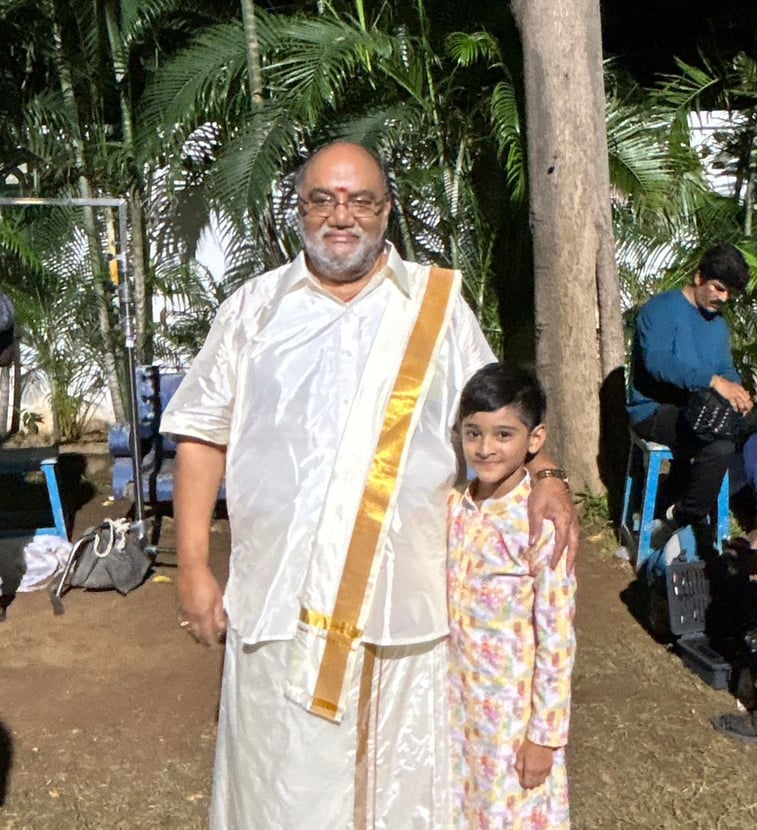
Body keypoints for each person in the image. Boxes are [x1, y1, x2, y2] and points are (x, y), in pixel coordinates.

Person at [160, 141, 577, 830]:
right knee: (282, 793)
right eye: (322, 199)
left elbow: (497, 411)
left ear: (386, 209)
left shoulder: (437, 307)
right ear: (298, 209)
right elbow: (204, 438)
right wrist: (195, 568)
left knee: (399, 798)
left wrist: (548, 473)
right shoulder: (253, 310)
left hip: (406, 612)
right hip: (282, 605)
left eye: (360, 200)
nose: (341, 216)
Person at [448, 363, 576, 829]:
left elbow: (558, 636)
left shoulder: (542, 521)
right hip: (457, 711)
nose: (485, 448)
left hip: (512, 718)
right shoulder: (455, 506)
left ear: (535, 439)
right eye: (473, 433)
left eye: (504, 434)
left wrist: (544, 736)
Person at [627, 243, 752, 559]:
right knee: (719, 443)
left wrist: (737, 391)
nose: (724, 298)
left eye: (730, 293)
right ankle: (681, 517)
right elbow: (657, 363)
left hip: (699, 409)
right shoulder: (659, 310)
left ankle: (685, 515)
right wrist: (713, 382)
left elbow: (725, 369)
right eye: (719, 288)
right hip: (654, 410)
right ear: (699, 278)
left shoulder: (718, 325)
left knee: (745, 430)